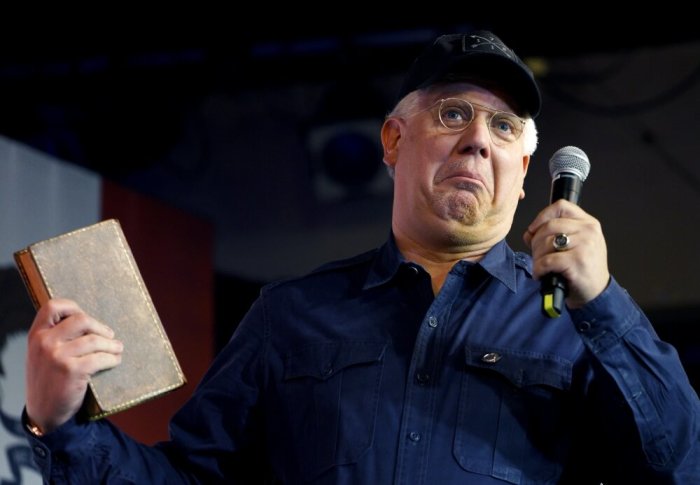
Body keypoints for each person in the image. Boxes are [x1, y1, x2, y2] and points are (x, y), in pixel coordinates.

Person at [23, 30, 699, 484]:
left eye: (503, 128)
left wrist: (606, 303)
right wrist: (58, 423)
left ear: (524, 173)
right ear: (393, 140)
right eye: (454, 112)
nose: (478, 142)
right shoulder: (291, 316)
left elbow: (678, 464)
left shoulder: (576, 321)